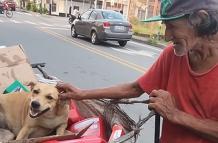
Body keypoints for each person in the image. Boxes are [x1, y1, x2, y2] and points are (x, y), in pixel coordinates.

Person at [56, 0, 218, 143]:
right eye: (165, 26)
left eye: (172, 27)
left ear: (201, 20)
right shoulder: (172, 55)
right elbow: (135, 89)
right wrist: (80, 94)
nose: (167, 35)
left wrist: (175, 114)